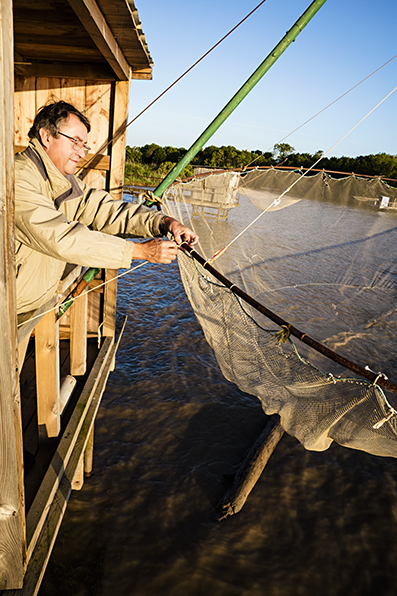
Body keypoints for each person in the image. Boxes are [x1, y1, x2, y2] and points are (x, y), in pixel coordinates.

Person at [14, 101, 198, 316]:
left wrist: (164, 222)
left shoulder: (63, 181)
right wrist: (139, 251)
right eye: (75, 142)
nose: (81, 153)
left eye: (84, 146)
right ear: (46, 136)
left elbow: (108, 210)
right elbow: (61, 238)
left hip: (27, 307)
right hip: (6, 308)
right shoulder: (17, 178)